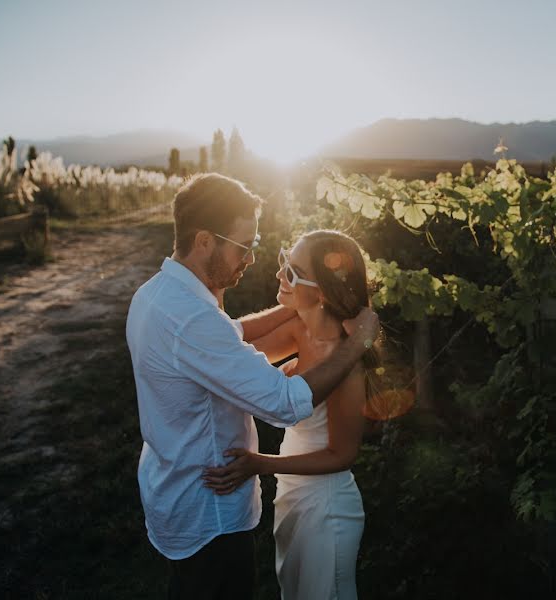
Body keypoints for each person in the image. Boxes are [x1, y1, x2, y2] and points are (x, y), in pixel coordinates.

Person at [126, 175, 379, 600]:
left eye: (288, 267)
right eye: (244, 246)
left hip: (188, 494)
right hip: (209, 509)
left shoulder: (154, 296)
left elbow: (231, 336)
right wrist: (360, 342)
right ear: (204, 240)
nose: (254, 260)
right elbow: (284, 403)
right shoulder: (195, 320)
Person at [202, 230, 377, 600]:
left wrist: (259, 464)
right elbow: (226, 342)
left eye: (293, 272)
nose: (279, 274)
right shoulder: (300, 330)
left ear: (324, 290)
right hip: (291, 495)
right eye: (284, 261)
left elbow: (342, 455)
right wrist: (294, 299)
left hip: (326, 507)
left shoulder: (345, 364)